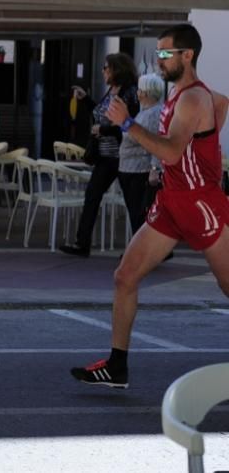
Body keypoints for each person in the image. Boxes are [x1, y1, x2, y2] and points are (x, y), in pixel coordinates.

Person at [71, 24, 229, 389]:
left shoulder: (192, 98)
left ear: (187, 56)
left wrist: (126, 122)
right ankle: (117, 365)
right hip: (172, 201)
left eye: (164, 53)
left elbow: (173, 152)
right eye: (157, 52)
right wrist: (206, 145)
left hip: (199, 202)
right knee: (125, 277)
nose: (157, 60)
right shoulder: (183, 95)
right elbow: (221, 105)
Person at [61, 53, 139, 257]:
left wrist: (104, 131)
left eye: (106, 68)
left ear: (117, 69)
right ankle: (82, 244)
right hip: (105, 156)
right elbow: (100, 113)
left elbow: (131, 126)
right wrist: (85, 99)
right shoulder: (111, 91)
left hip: (123, 156)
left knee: (133, 204)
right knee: (92, 196)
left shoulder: (130, 93)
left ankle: (144, 250)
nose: (103, 71)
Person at [117, 74, 166, 235]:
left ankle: (141, 252)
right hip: (130, 168)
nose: (137, 93)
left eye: (139, 90)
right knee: (135, 213)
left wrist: (154, 168)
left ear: (145, 92)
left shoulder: (153, 113)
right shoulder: (144, 112)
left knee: (139, 215)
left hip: (139, 170)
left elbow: (156, 142)